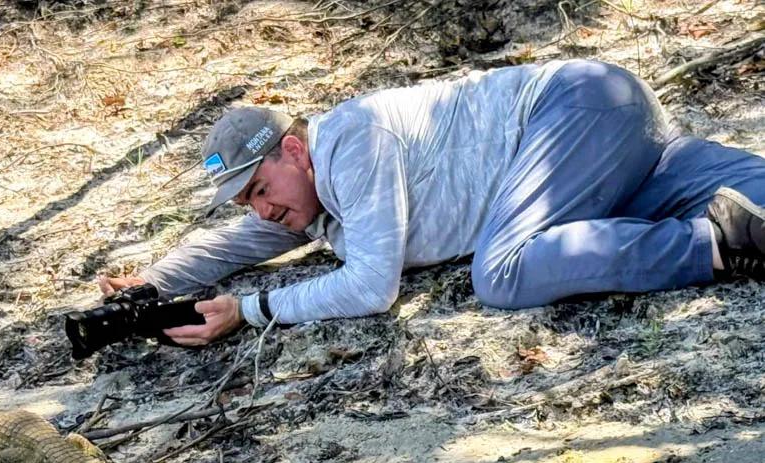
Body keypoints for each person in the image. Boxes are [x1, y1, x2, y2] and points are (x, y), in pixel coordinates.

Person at [99, 59, 765, 346]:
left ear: (293, 152)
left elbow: (371, 286)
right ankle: (741, 225)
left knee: (503, 273)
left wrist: (251, 310)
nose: (260, 210)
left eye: (259, 189)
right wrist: (153, 283)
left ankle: (714, 244)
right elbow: (237, 246)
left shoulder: (351, 146)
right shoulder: (309, 200)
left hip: (574, 111)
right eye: (245, 200)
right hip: (611, 148)